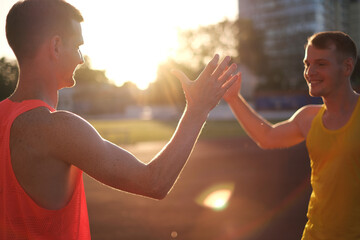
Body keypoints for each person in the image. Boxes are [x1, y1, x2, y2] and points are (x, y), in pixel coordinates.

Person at [0, 0, 239, 239]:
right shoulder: (58, 128)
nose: (81, 59)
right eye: (77, 47)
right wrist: (197, 109)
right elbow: (154, 182)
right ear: (56, 46)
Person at [223, 31, 360, 239]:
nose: (310, 71)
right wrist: (233, 98)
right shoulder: (308, 118)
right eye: (307, 64)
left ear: (347, 67)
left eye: (321, 64)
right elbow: (267, 137)